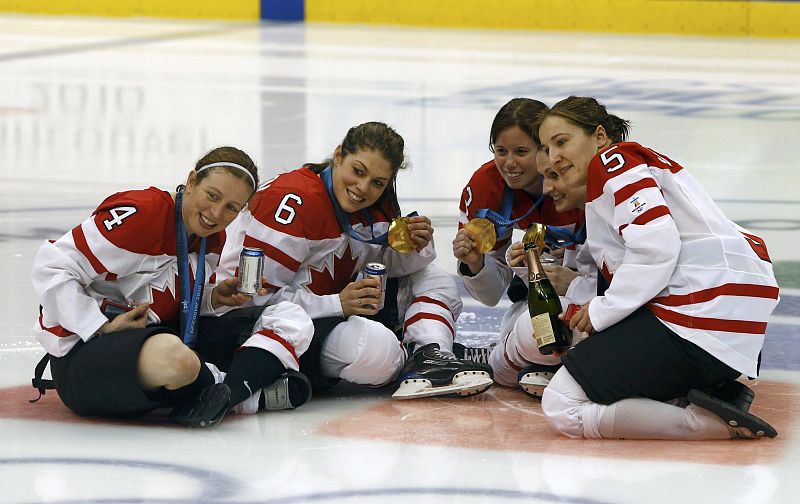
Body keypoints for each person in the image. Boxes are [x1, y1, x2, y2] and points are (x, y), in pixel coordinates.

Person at [535, 96, 780, 439]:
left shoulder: (612, 162)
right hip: (728, 322)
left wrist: (603, 311)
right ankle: (713, 394)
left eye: (562, 142)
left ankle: (705, 423)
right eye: (547, 148)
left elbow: (656, 246)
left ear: (600, 136)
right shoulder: (621, 180)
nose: (554, 156)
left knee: (563, 405)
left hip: (700, 314)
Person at [206, 121, 492, 400]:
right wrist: (336, 304)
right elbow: (253, 299)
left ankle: (431, 354)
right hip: (253, 326)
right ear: (339, 154)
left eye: (377, 182)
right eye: (358, 171)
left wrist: (415, 245)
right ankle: (425, 355)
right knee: (373, 349)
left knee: (434, 277)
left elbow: (383, 264)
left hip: (327, 315)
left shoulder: (376, 203)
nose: (363, 188)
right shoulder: (291, 201)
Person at [31, 146, 313, 427]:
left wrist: (214, 298)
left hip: (157, 339)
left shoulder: (212, 239)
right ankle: (244, 390)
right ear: (191, 182)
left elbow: (169, 303)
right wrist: (97, 327)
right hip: (86, 358)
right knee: (176, 358)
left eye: (231, 208)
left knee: (290, 316)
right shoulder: (144, 213)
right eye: (212, 196)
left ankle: (228, 395)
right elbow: (52, 266)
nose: (215, 213)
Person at [452, 98, 594, 396]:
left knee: (543, 332)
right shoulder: (485, 187)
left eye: (521, 152)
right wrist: (476, 263)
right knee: (534, 331)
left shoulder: (583, 181)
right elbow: (490, 296)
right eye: (500, 151)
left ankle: (513, 357)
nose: (509, 163)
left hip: (595, 300)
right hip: (547, 300)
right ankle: (516, 358)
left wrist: (573, 278)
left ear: (546, 150)